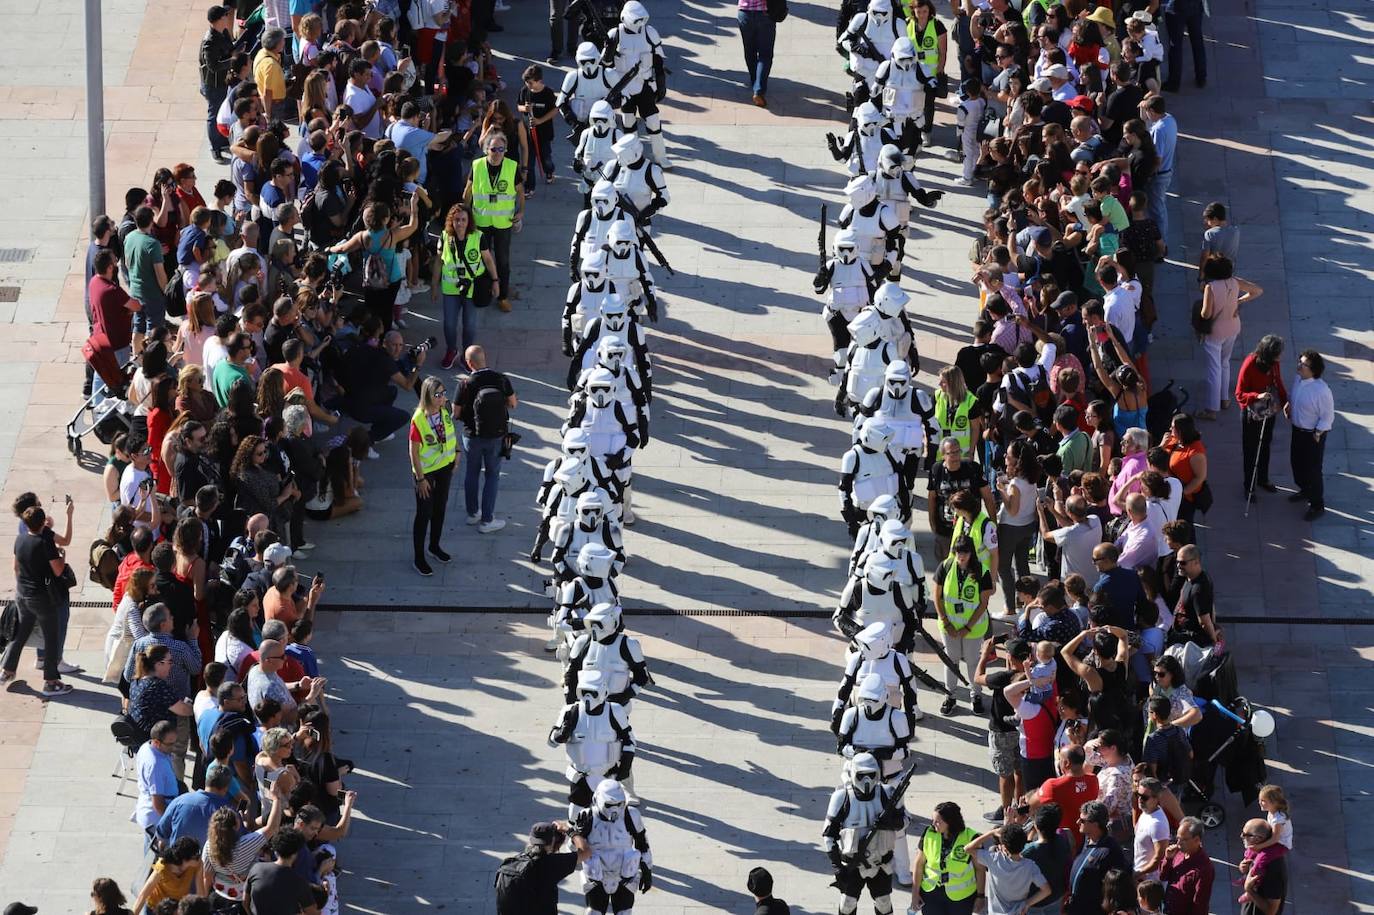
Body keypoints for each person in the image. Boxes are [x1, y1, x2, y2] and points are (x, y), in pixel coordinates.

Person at [1, 506, 76, 697]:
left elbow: (16, 567)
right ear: (44, 522)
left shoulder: (20, 539)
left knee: (21, 633)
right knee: (51, 638)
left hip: (22, 595)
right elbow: (58, 570)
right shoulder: (45, 542)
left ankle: (7, 670)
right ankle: (51, 682)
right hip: (41, 598)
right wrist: (61, 556)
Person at [456, 345, 517, 533]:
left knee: (471, 473)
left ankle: (473, 513)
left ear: (469, 363)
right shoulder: (501, 379)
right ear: (485, 358)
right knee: (492, 475)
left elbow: (455, 413)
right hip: (496, 436)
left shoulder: (465, 384)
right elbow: (513, 403)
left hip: (471, 436)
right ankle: (487, 520)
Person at [933, 536, 994, 716]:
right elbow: (937, 596)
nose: (961, 556)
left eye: (965, 552)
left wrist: (967, 627)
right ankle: (950, 695)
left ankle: (976, 695)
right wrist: (945, 621)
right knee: (950, 660)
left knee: (972, 661)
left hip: (973, 628)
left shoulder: (982, 571)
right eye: (958, 552)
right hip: (949, 626)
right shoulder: (945, 566)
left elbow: (983, 604)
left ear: (971, 552)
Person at [1195, 255, 1262, 419]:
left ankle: (1211, 409)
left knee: (1214, 369)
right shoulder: (1235, 282)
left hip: (1215, 331)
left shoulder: (1210, 287)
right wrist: (1239, 301)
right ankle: (1224, 399)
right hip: (1233, 326)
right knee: (1225, 363)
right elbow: (1257, 291)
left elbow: (1206, 314)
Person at [464, 131, 524, 311]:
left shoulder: (512, 166)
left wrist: (521, 212)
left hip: (503, 223)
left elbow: (520, 192)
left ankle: (503, 296)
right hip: (481, 222)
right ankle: (484, 292)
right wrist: (465, 217)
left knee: (503, 261)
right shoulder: (477, 165)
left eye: (501, 149)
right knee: (482, 260)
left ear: (505, 150)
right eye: (493, 149)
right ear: (486, 150)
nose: (497, 153)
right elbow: (467, 193)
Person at [436, 204, 498, 370]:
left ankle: (466, 355)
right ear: (451, 221)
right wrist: (434, 285)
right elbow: (438, 261)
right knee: (449, 324)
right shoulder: (444, 237)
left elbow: (488, 260)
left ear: (469, 221)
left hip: (472, 289)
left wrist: (495, 281)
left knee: (469, 326)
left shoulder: (478, 237)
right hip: (450, 288)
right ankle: (451, 350)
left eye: (464, 219)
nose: (460, 223)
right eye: (457, 220)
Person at [409, 377, 460, 576]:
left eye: (444, 393)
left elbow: (450, 432)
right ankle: (418, 558)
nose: (442, 398)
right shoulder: (418, 419)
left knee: (440, 509)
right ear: (428, 396)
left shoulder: (444, 409)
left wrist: (457, 452)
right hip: (426, 472)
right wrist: (421, 479)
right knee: (424, 514)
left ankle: (434, 546)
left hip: (445, 468)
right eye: (438, 395)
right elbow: (413, 452)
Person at [493, 820, 591, 915]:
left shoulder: (512, 862)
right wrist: (569, 830)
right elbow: (585, 851)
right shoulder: (551, 864)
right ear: (552, 841)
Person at [1286, 348, 1334, 520]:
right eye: (1300, 361)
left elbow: (1327, 416)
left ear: (1313, 369)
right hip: (1297, 430)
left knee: (1313, 470)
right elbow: (1294, 396)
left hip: (1312, 435)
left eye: (1303, 364)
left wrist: (1318, 433)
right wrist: (1289, 404)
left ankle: (1317, 505)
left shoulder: (1322, 391)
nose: (1299, 365)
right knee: (1296, 464)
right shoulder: (1298, 379)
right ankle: (1305, 490)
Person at [965, 823, 1053, 915]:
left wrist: (991, 833)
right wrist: (1026, 904)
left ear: (1004, 847)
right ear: (1023, 845)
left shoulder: (994, 859)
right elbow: (1046, 890)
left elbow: (967, 849)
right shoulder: (1030, 866)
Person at [1064, 801, 1126, 915]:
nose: (1077, 822)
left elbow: (1117, 888)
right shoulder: (1086, 841)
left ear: (1096, 824)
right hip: (1076, 907)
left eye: (1082, 820)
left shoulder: (1110, 851)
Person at [244, 827, 320, 915]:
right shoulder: (300, 883)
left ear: (276, 850)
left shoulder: (256, 869)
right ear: (295, 853)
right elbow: (313, 913)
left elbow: (245, 903)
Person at [134, 721, 182, 847]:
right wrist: (173, 824)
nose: (173, 747)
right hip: (157, 820)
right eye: (170, 744)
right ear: (156, 742)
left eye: (175, 742)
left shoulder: (146, 746)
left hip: (150, 813)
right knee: (156, 861)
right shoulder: (156, 765)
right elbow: (158, 803)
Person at [1159, 817, 1214, 915]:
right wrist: (1168, 859)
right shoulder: (1177, 853)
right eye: (1178, 838)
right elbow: (1163, 877)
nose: (1178, 843)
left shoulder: (1204, 868)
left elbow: (1200, 904)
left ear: (1196, 840)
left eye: (1183, 840)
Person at [1239, 819, 1288, 915]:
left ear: (1258, 838)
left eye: (1245, 834)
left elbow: (1271, 911)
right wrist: (1243, 868)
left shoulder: (1274, 868)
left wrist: (1249, 889)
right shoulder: (1256, 853)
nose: (1241, 836)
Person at [738, 0, 777, 107]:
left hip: (744, 12)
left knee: (750, 50)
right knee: (765, 54)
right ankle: (758, 89)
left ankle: (755, 80)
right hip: (764, 13)